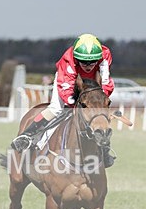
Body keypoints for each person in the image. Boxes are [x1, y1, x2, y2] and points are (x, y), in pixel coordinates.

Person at [10, 34, 116, 167]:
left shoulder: (104, 55)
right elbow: (66, 90)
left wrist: (100, 101)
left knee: (99, 114)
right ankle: (27, 135)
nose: (88, 66)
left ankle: (104, 150)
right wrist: (75, 104)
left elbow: (106, 83)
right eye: (84, 62)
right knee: (56, 109)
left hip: (91, 82)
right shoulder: (68, 61)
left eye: (92, 62)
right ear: (77, 59)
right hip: (67, 80)